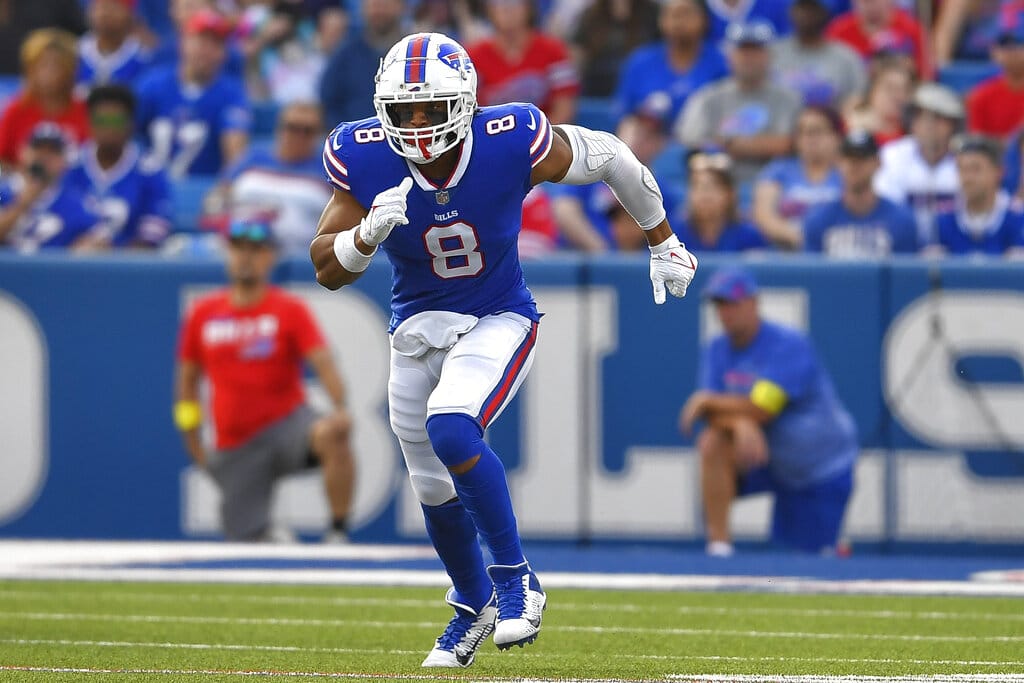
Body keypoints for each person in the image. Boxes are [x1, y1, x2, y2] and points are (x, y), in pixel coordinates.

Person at [310, 32, 697, 667]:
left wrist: (661, 239)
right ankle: (472, 602)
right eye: (402, 110)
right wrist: (363, 236)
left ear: (462, 104)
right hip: (415, 328)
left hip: (497, 315)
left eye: (429, 109)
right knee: (431, 487)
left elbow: (609, 155)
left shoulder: (508, 137)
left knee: (453, 430)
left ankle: (517, 583)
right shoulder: (362, 154)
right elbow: (327, 268)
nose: (414, 125)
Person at [175, 216, 356, 543]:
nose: (246, 257)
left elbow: (323, 361)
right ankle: (272, 536)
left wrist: (340, 407)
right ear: (228, 254)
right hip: (235, 441)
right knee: (248, 546)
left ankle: (337, 534)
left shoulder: (288, 309)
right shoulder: (203, 313)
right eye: (239, 249)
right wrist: (193, 440)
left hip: (287, 424)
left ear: (270, 256)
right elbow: (187, 381)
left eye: (256, 250)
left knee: (333, 434)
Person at [680, 265, 858, 556]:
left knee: (804, 564)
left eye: (732, 304)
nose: (726, 313)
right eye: (719, 305)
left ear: (754, 302)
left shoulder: (788, 344)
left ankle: (833, 547)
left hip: (816, 468)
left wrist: (709, 403)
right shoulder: (716, 349)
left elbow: (763, 407)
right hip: (766, 457)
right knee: (713, 441)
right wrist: (738, 422)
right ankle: (719, 548)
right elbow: (712, 414)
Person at [674, 20, 801, 187]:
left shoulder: (789, 99)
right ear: (729, 55)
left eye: (756, 50)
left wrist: (727, 143)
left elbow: (786, 145)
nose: (749, 58)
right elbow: (692, 144)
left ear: (770, 55)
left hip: (774, 186)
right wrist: (761, 145)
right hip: (718, 185)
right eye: (742, 50)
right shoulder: (709, 97)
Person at [135, 9, 251, 179]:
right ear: (183, 43)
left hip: (201, 190)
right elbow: (124, 132)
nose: (206, 50)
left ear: (224, 53)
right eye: (200, 41)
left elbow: (235, 153)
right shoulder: (153, 84)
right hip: (150, 187)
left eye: (215, 43)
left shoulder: (231, 94)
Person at [205, 101, 331, 254]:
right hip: (239, 242)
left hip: (299, 252)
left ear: (318, 135)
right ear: (280, 129)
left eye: (307, 131)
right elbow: (217, 196)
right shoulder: (253, 157)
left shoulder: (328, 169)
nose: (299, 136)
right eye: (293, 128)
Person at [63, 84, 173, 248]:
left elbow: (154, 230)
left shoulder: (150, 170)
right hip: (73, 263)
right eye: (102, 120)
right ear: (89, 124)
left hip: (129, 267)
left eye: (116, 120)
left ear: (131, 124)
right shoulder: (70, 166)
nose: (109, 128)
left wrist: (115, 258)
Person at [612, 0, 729, 137]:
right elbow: (622, 114)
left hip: (702, 144)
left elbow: (727, 115)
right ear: (661, 21)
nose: (678, 22)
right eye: (672, 15)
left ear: (704, 20)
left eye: (686, 14)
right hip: (649, 144)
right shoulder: (640, 62)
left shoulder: (720, 63)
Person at [873, 83, 963, 247]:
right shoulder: (893, 155)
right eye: (920, 116)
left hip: (954, 249)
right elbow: (885, 209)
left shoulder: (966, 157)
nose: (929, 124)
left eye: (939, 118)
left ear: (953, 125)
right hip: (902, 247)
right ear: (911, 122)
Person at [803, 129, 918, 257]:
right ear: (838, 163)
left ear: (878, 163)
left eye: (862, 158)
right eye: (849, 158)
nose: (854, 165)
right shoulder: (819, 219)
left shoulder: (901, 220)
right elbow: (812, 274)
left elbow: (904, 273)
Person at [466, 0, 579, 125]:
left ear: (529, 7)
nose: (506, 9)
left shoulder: (554, 51)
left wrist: (541, 137)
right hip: (490, 138)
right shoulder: (472, 56)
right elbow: (466, 110)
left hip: (545, 136)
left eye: (514, 3)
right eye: (498, 3)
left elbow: (564, 109)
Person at [0, 123, 105, 252]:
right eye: (38, 148)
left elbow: (99, 241)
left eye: (53, 151)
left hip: (53, 271)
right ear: (23, 152)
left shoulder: (78, 203)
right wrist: (23, 204)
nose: (44, 156)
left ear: (64, 161)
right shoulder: (3, 191)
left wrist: (87, 247)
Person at [752, 105, 843, 250]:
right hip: (786, 251)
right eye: (803, 132)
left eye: (816, 131)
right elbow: (764, 215)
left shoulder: (847, 173)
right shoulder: (778, 170)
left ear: (836, 137)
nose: (809, 139)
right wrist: (799, 237)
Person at [0, 28, 90, 166]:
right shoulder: (15, 110)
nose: (47, 73)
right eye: (41, 65)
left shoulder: (85, 111)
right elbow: (3, 160)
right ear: (29, 70)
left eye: (56, 66)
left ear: (70, 71)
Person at [931, 134, 1024, 256]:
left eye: (976, 169)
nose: (968, 178)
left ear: (998, 172)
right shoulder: (943, 218)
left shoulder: (1018, 219)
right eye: (962, 169)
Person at [319, 0, 406, 126]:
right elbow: (328, 102)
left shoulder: (413, 53)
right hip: (356, 138)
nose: (379, 11)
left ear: (400, 7)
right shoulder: (344, 55)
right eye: (374, 5)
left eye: (385, 5)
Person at [771, 0, 867, 107]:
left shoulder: (846, 58)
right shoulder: (772, 54)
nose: (806, 15)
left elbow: (857, 102)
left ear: (826, 13)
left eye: (813, 10)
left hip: (830, 121)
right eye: (802, 8)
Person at [673, 152, 769, 253]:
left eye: (713, 187)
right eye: (697, 186)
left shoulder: (750, 236)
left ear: (730, 194)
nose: (704, 195)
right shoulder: (675, 233)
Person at [825, 0, 930, 79]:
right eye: (866, 1)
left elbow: (926, 76)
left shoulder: (912, 29)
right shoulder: (838, 31)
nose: (871, 5)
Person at [77, 0, 153, 91]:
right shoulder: (75, 52)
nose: (104, 14)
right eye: (99, 7)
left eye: (113, 7)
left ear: (129, 13)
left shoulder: (143, 56)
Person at [966, 21, 1024, 139]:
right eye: (1005, 46)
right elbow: (978, 142)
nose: (1012, 51)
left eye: (1018, 44)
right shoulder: (982, 95)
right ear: (994, 52)